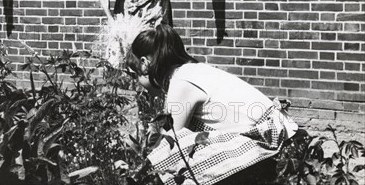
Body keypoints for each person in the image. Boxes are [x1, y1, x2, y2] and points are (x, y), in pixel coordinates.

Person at [126, 25, 298, 185]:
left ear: (144, 63)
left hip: (271, 145)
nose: (136, 84)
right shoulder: (192, 69)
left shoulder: (180, 82)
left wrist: (139, 172)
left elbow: (170, 143)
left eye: (135, 76)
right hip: (283, 135)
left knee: (173, 160)